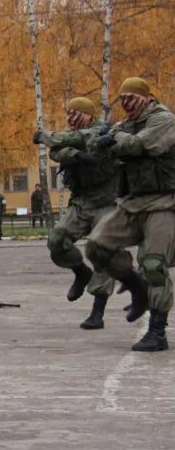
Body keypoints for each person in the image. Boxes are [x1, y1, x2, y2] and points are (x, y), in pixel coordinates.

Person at [85, 77, 175, 352]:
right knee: (97, 246)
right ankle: (135, 287)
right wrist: (101, 140)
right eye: (122, 99)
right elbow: (96, 148)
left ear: (146, 98)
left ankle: (157, 331)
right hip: (131, 203)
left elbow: (139, 146)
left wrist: (113, 138)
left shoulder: (164, 120)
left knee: (153, 264)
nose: (126, 104)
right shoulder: (124, 126)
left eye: (131, 98)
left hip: (163, 203)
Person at [33, 97, 119, 329]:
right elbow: (55, 153)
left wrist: (65, 147)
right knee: (57, 239)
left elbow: (89, 144)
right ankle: (81, 272)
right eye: (68, 114)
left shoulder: (105, 133)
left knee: (103, 251)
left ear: (90, 116)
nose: (71, 119)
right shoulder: (70, 136)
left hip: (108, 201)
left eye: (76, 114)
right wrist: (77, 155)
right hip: (81, 202)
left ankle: (97, 311)